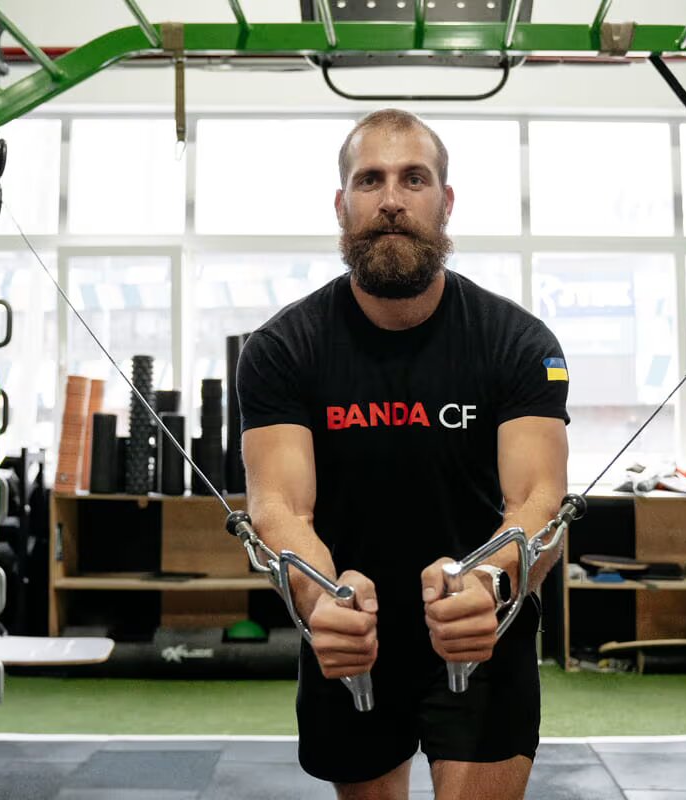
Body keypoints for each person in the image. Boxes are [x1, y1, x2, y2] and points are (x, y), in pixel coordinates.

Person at [236, 108, 570, 800]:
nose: (391, 199)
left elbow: (537, 503)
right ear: (342, 205)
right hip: (352, 634)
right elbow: (279, 508)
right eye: (371, 180)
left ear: (445, 202)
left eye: (413, 179)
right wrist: (321, 598)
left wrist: (493, 584)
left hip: (483, 633)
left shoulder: (518, 343)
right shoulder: (281, 351)